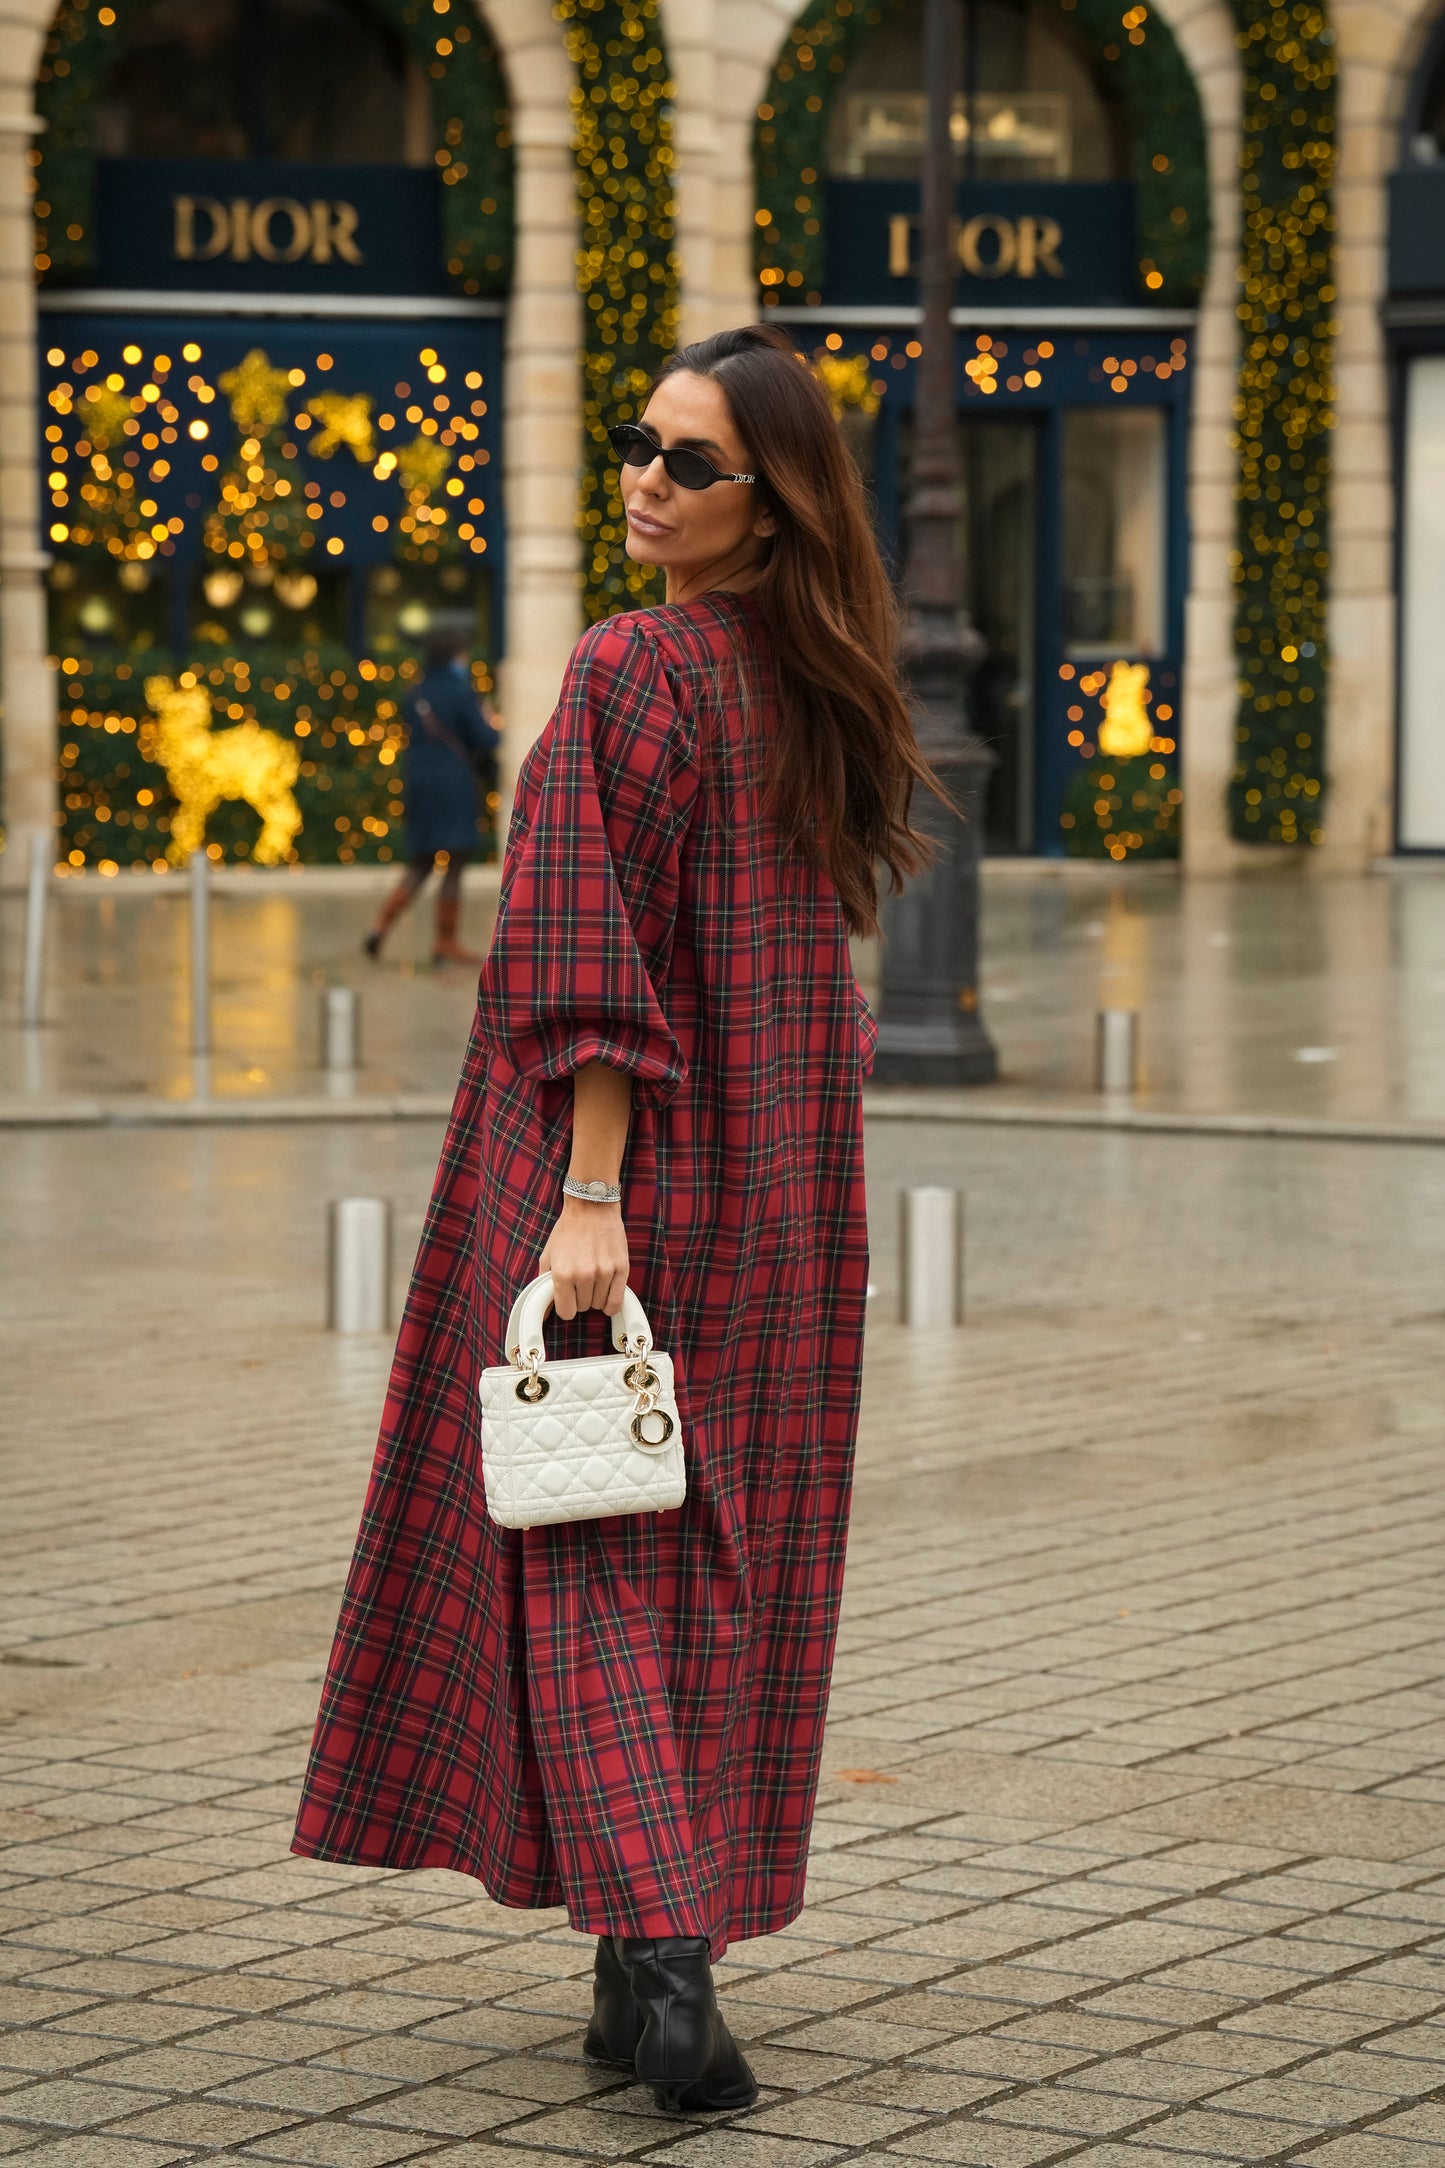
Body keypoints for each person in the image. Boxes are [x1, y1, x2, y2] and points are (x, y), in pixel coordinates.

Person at [293, 324, 949, 2112]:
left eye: (692, 463)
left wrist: (590, 1195)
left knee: (588, 1547)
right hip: (789, 1195)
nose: (648, 483)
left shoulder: (634, 669)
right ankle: (637, 1950)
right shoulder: (819, 682)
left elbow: (589, 947)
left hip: (627, 1180)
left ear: (778, 504)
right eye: (641, 448)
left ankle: (667, 1964)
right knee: (724, 1560)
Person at [363, 621, 501, 965]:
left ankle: (379, 927)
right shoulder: (462, 692)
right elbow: (487, 739)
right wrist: (489, 720)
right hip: (454, 784)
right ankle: (445, 941)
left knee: (421, 863)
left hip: (420, 783)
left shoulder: (416, 693)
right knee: (454, 865)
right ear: (456, 655)